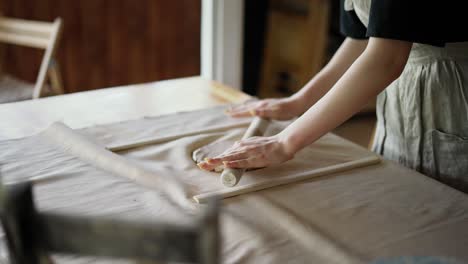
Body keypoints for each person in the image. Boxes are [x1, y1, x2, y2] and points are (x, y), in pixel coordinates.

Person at [198, 0, 468, 193]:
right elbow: (361, 41)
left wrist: (283, 143)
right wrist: (298, 102)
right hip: (401, 99)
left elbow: (386, 59)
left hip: (452, 93)